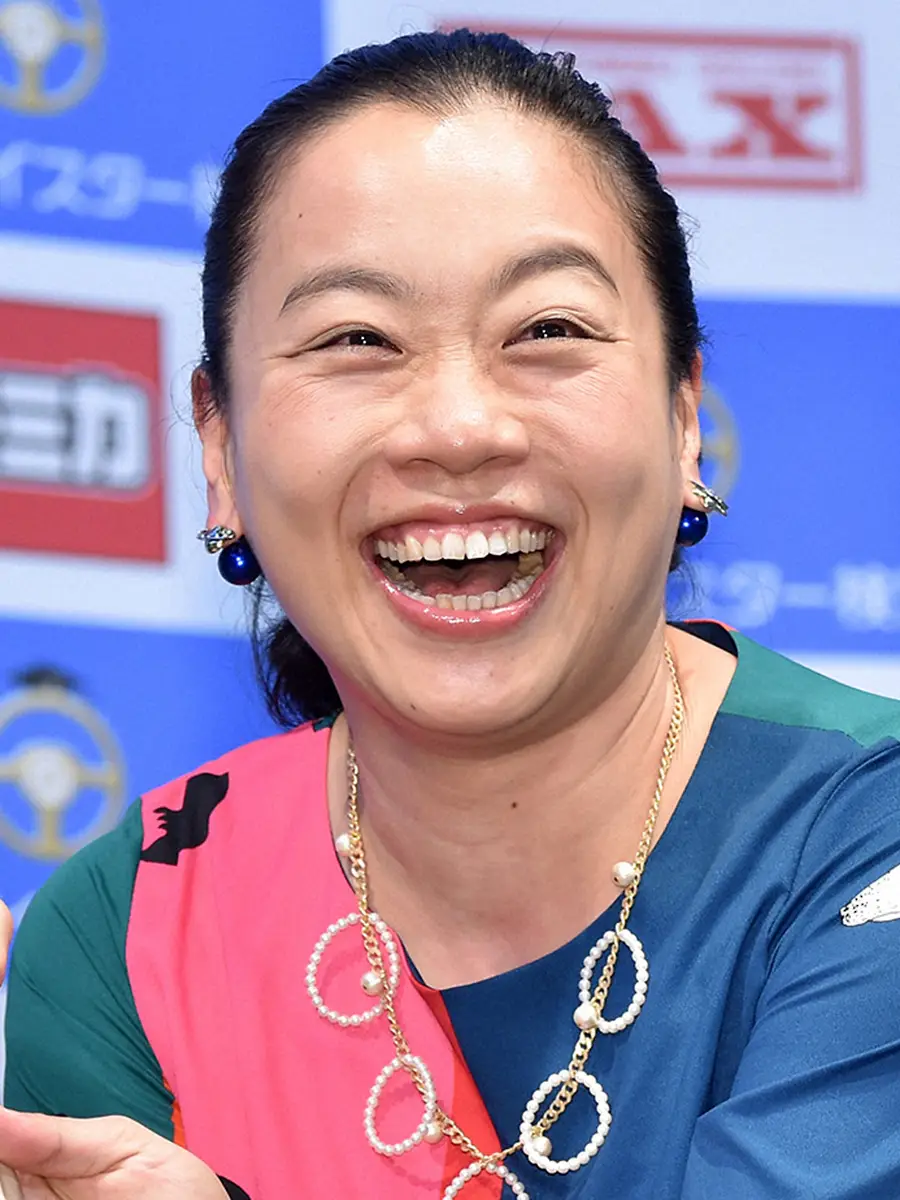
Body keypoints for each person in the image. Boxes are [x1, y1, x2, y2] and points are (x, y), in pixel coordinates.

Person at [2, 27, 900, 1200]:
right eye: (356, 340)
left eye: (547, 332)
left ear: (686, 418)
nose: (460, 427)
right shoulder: (135, 925)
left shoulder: (867, 833)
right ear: (219, 450)